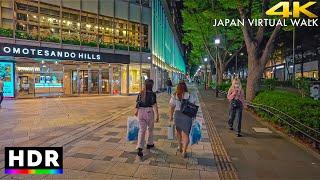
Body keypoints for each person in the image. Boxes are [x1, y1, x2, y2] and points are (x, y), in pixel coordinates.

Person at [169, 81, 196, 158]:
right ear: (185, 87)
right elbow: (193, 105)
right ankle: (184, 151)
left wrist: (171, 116)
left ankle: (179, 146)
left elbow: (171, 106)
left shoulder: (175, 95)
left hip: (177, 115)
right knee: (186, 134)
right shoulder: (190, 95)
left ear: (178, 87)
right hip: (187, 116)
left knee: (178, 133)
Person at [135, 79, 159, 157]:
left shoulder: (140, 93)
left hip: (140, 112)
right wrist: (157, 115)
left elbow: (138, 104)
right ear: (151, 85)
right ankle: (149, 144)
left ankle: (139, 147)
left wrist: (136, 112)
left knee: (142, 130)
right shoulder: (152, 94)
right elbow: (154, 105)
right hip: (149, 112)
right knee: (150, 129)